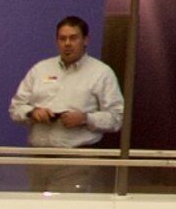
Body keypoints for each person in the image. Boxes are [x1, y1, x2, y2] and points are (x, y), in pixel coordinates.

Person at [9, 17, 124, 192]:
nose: (67, 43)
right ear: (57, 41)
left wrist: (85, 118)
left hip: (76, 158)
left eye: (73, 38)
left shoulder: (101, 73)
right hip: (38, 156)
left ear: (85, 40)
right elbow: (15, 108)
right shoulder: (40, 69)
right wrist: (32, 112)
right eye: (62, 38)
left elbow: (116, 118)